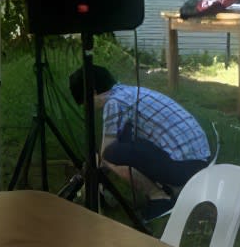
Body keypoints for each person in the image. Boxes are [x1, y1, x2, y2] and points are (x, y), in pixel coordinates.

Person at [70, 64, 210, 213]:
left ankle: (160, 198)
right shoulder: (131, 92)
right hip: (200, 160)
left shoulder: (114, 102)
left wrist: (90, 171)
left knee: (110, 155)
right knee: (121, 145)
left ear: (93, 92)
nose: (88, 109)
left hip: (184, 168)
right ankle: (169, 188)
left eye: (85, 103)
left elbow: (106, 151)